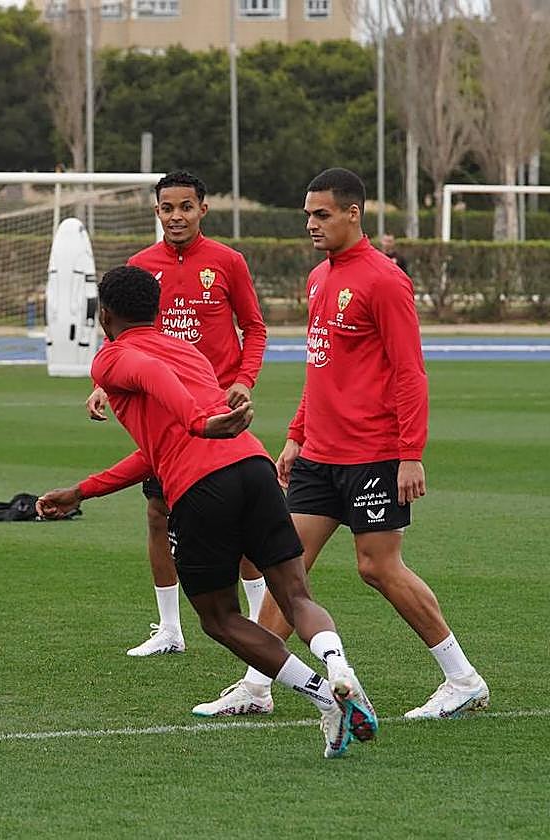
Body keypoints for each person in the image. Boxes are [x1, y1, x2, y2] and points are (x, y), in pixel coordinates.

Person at [38, 265, 377, 758]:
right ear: (156, 310)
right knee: (295, 593)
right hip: (254, 466)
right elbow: (153, 453)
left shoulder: (112, 358)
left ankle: (328, 698)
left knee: (219, 618)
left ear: (104, 316)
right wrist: (83, 491)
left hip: (202, 488)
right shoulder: (186, 348)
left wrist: (198, 422)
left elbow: (151, 378)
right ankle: (340, 668)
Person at [192, 167, 489, 720]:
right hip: (319, 455)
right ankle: (256, 687)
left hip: (373, 452)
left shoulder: (384, 279)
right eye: (308, 214)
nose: (311, 223)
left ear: (354, 213)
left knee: (378, 567)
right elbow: (320, 367)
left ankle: (462, 678)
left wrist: (410, 452)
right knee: (287, 568)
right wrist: (297, 436)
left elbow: (409, 372)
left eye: (322, 214)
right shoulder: (318, 278)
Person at [85, 170, 269, 657]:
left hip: (218, 410)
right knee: (156, 512)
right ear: (156, 212)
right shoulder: (141, 265)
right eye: (167, 208)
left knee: (244, 523)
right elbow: (121, 337)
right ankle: (169, 628)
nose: (176, 216)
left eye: (186, 207)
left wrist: (242, 380)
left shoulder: (227, 261)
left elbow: (254, 327)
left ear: (203, 209)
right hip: (165, 414)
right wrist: (103, 385)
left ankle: (258, 618)